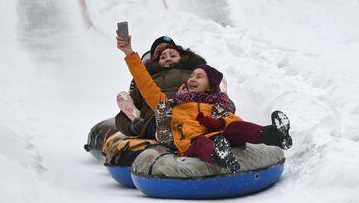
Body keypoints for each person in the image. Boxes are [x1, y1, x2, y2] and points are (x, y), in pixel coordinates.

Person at [116, 34, 292, 173]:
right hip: (187, 135)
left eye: (198, 77)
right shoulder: (171, 103)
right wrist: (129, 53)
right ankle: (219, 155)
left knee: (236, 127)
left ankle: (274, 134)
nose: (192, 79)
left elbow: (226, 116)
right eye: (192, 77)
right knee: (198, 140)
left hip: (214, 129)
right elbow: (145, 84)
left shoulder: (212, 100)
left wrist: (223, 114)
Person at [115, 36, 207, 139]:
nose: (168, 58)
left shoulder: (194, 74)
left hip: (193, 115)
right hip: (159, 120)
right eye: (161, 55)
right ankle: (142, 119)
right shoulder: (147, 79)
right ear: (155, 59)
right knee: (160, 106)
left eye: (173, 54)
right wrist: (135, 128)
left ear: (182, 56)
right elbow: (121, 118)